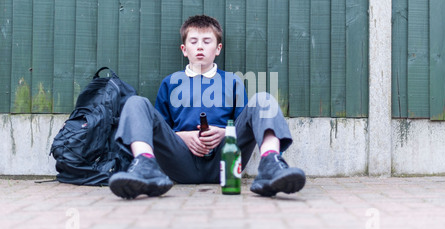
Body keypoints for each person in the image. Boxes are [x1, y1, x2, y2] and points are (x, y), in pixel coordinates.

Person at [109, 15, 306, 199]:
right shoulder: (171, 83)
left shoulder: (232, 82)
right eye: (193, 42)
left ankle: (271, 165)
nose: (200, 47)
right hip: (180, 161)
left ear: (218, 48)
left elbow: (244, 124)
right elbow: (161, 129)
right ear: (184, 49)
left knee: (263, 99)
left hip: (225, 162)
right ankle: (144, 167)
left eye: (207, 41)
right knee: (136, 102)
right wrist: (181, 136)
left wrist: (224, 133)